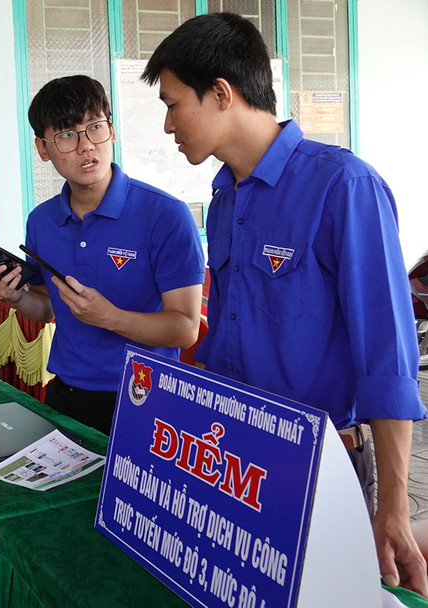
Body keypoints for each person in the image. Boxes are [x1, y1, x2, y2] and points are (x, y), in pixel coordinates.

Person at [141, 12, 428, 597]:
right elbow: (227, 339)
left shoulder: (343, 186)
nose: (168, 125)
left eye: (173, 105)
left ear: (221, 94)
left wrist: (394, 506)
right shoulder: (224, 199)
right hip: (240, 463)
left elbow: (387, 357)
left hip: (323, 468)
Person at [0, 75, 205, 434]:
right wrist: (16, 297)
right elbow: (47, 307)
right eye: (66, 135)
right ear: (42, 149)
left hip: (145, 396)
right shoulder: (42, 221)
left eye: (95, 127)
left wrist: (110, 317)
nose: (86, 146)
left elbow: (185, 329)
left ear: (111, 131)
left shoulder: (165, 215)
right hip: (67, 394)